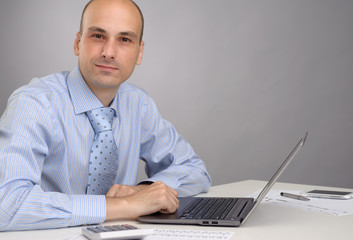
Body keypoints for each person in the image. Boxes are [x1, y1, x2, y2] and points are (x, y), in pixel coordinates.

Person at [0, 0, 211, 231]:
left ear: (139, 52)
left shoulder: (138, 103)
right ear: (78, 43)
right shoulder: (34, 103)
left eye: (124, 40)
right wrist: (126, 205)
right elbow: (6, 205)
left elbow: (195, 170)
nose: (109, 53)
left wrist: (145, 190)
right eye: (98, 36)